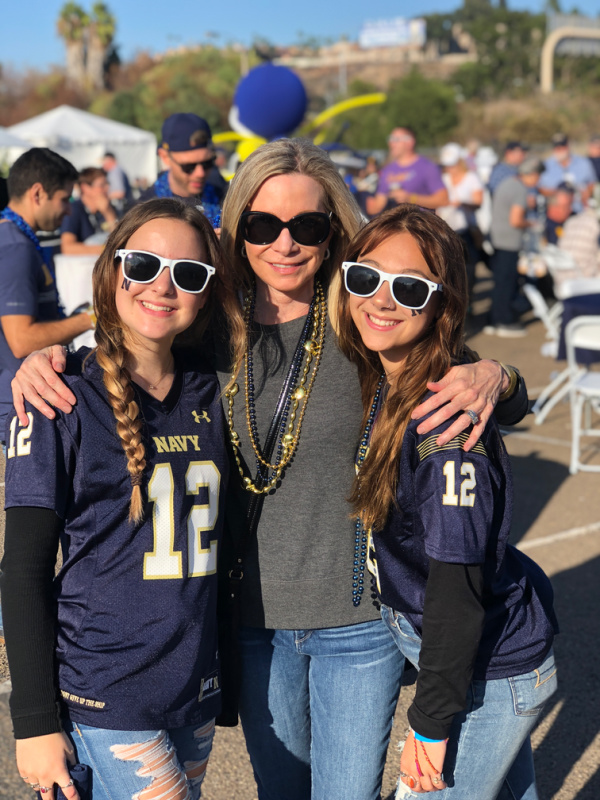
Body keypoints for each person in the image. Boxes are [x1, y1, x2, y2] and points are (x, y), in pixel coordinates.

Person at [11, 139, 529, 800]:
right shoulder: (205, 326)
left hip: (355, 625)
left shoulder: (362, 315)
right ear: (237, 231)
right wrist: (45, 360)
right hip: (249, 625)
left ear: (334, 231)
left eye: (307, 226)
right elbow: (137, 332)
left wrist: (498, 375)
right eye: (262, 224)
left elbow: (459, 371)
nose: (284, 243)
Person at [1, 197, 237, 800]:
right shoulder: (59, 396)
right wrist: (33, 721)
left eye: (188, 273)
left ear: (207, 292)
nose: (164, 285)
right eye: (144, 265)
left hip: (193, 687)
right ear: (111, 272)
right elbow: (23, 568)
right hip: (105, 690)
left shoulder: (213, 389)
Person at [337, 204, 558, 799]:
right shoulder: (387, 371)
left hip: (486, 669)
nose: (381, 300)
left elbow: (456, 590)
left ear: (443, 302)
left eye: (408, 287)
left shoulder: (444, 426)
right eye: (365, 277)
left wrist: (429, 726)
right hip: (468, 657)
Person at [0, 148, 94, 434]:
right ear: (37, 193)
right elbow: (21, 340)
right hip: (20, 411)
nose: (69, 211)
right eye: (64, 199)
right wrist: (92, 318)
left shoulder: (17, 240)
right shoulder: (16, 248)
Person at [485, 156, 545, 337]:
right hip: (509, 242)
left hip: (498, 238)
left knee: (500, 282)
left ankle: (493, 319)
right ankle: (503, 320)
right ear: (532, 174)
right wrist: (533, 224)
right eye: (538, 176)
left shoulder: (508, 183)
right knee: (507, 283)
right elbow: (516, 220)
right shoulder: (520, 189)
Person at [138, 113, 222, 225]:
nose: (200, 173)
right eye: (189, 166)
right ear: (165, 157)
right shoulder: (144, 211)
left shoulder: (223, 196)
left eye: (207, 163)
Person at [436, 143, 484, 303]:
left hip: (466, 230)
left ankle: (467, 304)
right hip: (445, 228)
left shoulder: (471, 178)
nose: (450, 168)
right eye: (448, 165)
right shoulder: (443, 179)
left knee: (467, 269)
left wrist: (462, 203)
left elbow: (479, 202)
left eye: (453, 165)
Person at [367, 127, 448, 217]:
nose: (391, 143)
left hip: (421, 226)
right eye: (390, 139)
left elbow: (443, 200)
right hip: (395, 227)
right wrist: (362, 195)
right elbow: (377, 206)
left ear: (410, 142)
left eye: (396, 139)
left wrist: (410, 198)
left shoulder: (427, 167)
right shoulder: (387, 170)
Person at [60, 167, 118, 255]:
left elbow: (119, 240)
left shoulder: (108, 208)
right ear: (85, 188)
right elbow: (67, 247)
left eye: (107, 184)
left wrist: (109, 214)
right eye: (102, 185)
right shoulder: (73, 209)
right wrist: (105, 250)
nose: (107, 188)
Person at [538, 133, 596, 213]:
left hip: (580, 210)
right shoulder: (545, 165)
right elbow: (539, 188)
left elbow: (592, 183)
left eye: (563, 146)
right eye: (557, 147)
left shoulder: (583, 163)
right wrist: (559, 195)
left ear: (568, 146)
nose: (560, 149)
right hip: (556, 212)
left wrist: (586, 193)